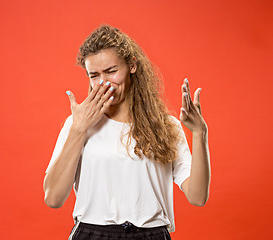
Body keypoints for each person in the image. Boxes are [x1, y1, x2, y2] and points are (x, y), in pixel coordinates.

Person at [43, 25, 211, 240]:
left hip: (152, 234)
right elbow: (53, 198)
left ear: (132, 65)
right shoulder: (77, 124)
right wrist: (79, 128)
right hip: (92, 233)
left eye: (112, 71)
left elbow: (197, 196)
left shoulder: (167, 126)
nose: (103, 83)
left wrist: (199, 133)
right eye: (94, 75)